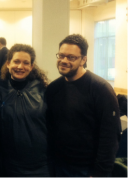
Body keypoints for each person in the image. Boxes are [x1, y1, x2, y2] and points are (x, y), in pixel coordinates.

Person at [45, 34, 121, 177]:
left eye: (71, 57)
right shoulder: (53, 89)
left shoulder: (101, 89)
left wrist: (100, 173)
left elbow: (110, 136)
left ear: (83, 60)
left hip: (88, 170)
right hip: (58, 166)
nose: (64, 60)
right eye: (61, 55)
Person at [0, 44, 50, 176]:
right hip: (10, 164)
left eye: (26, 63)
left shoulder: (43, 89)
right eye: (16, 61)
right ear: (8, 63)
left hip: (40, 164)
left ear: (31, 66)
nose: (20, 67)